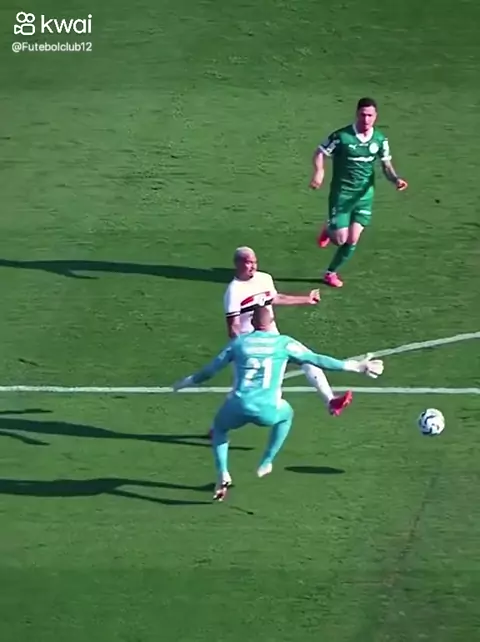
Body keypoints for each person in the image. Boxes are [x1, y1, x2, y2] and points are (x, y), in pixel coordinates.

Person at [173, 306, 384, 501]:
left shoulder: (239, 343)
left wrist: (186, 382)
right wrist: (357, 366)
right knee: (287, 415)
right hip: (269, 409)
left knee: (219, 429)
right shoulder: (284, 343)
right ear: (272, 321)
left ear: (252, 323)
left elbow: (210, 371)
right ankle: (266, 461)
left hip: (237, 406)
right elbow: (317, 360)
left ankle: (223, 473)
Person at [222, 245, 352, 417]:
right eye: (248, 263)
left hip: (273, 337)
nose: (253, 266)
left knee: (308, 359)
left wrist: (306, 299)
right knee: (246, 387)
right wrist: (242, 349)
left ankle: (331, 401)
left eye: (254, 262)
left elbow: (276, 298)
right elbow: (233, 326)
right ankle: (221, 422)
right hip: (252, 345)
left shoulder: (264, 278)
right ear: (237, 263)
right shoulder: (234, 291)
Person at [310, 97, 408, 288]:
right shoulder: (341, 136)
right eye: (363, 115)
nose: (366, 119)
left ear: (376, 116)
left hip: (364, 196)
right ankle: (330, 229)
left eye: (370, 115)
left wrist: (396, 179)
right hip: (342, 195)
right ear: (357, 114)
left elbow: (386, 165)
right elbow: (320, 152)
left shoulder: (380, 139)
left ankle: (331, 273)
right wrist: (319, 172)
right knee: (340, 239)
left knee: (353, 238)